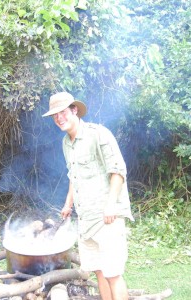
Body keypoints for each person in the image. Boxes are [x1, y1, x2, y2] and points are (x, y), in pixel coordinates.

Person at [42, 92, 134, 300]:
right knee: (100, 271)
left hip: (106, 217)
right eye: (55, 115)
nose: (59, 118)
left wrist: (111, 205)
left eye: (63, 112)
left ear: (74, 110)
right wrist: (68, 204)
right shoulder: (66, 143)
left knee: (113, 274)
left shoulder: (98, 134)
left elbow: (118, 170)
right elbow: (74, 177)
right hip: (86, 219)